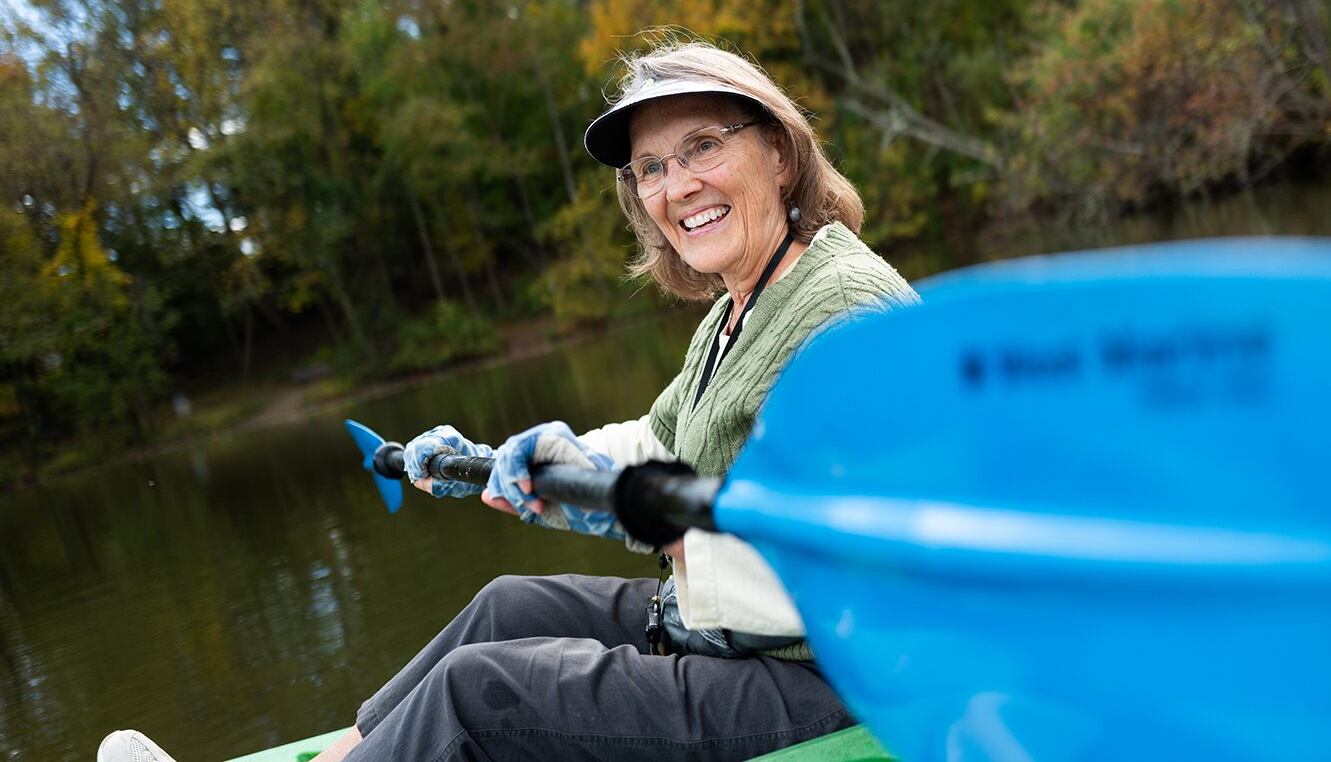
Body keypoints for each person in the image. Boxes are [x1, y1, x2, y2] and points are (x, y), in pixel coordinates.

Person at [99, 39, 916, 762]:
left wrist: (658, 531)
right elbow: (657, 443)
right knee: (507, 605)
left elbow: (869, 550)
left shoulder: (841, 310)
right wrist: (522, 461)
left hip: (825, 677)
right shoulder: (744, 303)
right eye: (653, 169)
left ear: (778, 151)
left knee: (479, 692)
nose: (677, 186)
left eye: (702, 146)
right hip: (726, 633)